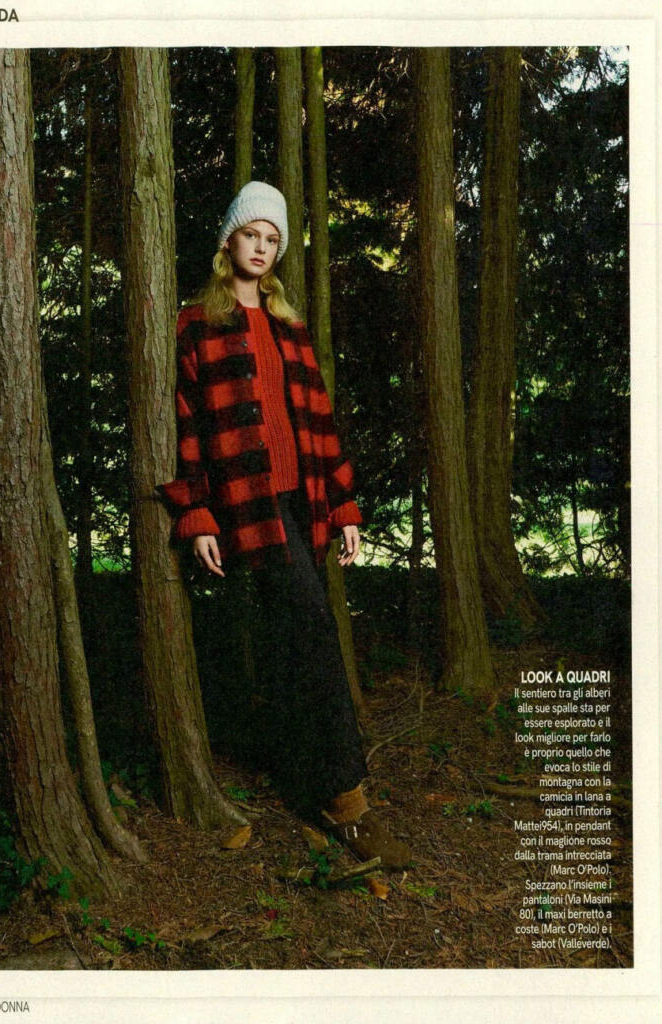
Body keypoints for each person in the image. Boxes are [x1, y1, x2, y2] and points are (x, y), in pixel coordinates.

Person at [157, 181, 411, 869]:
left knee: (296, 638)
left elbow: (321, 425)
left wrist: (346, 506)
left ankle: (306, 770)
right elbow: (188, 427)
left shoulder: (290, 330)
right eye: (252, 234)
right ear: (228, 242)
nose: (262, 248)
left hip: (304, 505)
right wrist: (197, 512)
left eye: (273, 239)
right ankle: (347, 804)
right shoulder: (195, 326)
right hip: (249, 508)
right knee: (313, 629)